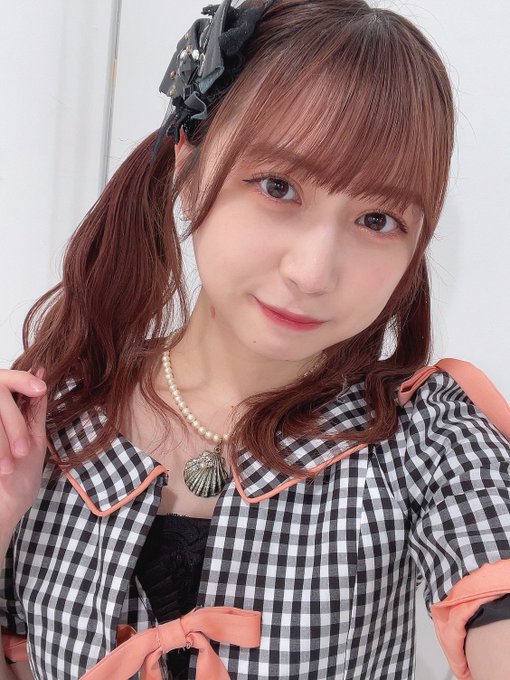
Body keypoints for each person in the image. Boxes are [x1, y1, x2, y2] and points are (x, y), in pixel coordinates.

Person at [1, 0, 510, 678]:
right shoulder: (51, 422)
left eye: (377, 219)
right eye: (278, 187)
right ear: (190, 166)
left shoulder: (424, 438)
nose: (312, 272)